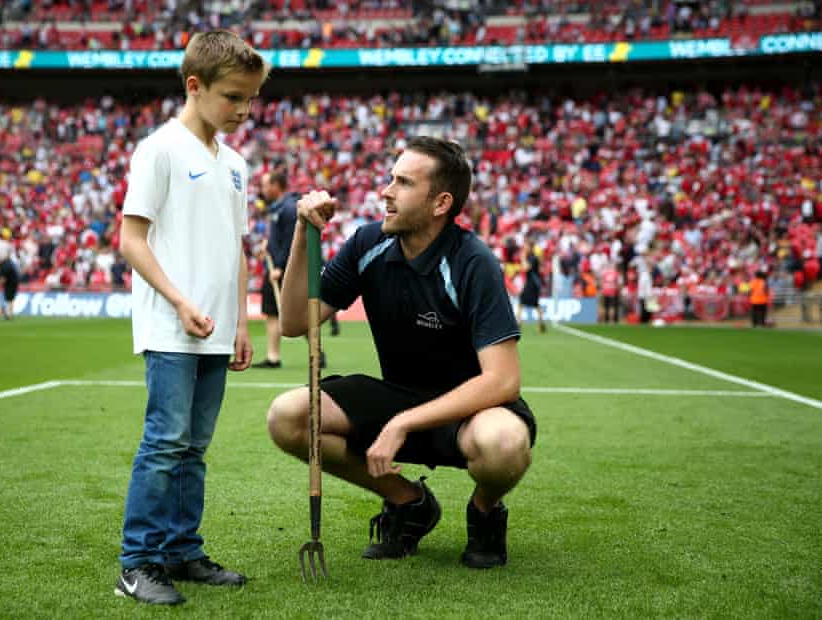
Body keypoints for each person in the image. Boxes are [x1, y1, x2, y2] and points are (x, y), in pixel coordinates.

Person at [267, 137, 536, 570]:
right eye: (391, 178)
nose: (386, 192)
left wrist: (403, 423)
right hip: (399, 393)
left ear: (440, 203)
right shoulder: (367, 244)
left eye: (403, 182)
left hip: (470, 408)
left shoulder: (472, 261)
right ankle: (409, 501)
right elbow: (297, 321)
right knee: (288, 416)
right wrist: (304, 233)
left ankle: (485, 510)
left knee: (503, 444)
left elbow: (502, 380)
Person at [114, 30, 267, 606]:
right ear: (195, 86)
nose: (244, 111)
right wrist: (179, 300)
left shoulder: (234, 163)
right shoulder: (159, 149)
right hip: (171, 325)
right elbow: (131, 240)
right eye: (234, 98)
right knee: (166, 441)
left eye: (251, 99)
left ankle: (182, 549)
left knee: (195, 446)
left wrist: (242, 321)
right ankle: (138, 562)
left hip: (217, 328)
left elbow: (237, 248)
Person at [252, 169, 299, 369]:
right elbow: (278, 239)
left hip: (282, 269)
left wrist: (279, 266)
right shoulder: (279, 208)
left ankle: (274, 357)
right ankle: (273, 356)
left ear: (275, 186)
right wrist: (267, 245)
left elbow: (290, 241)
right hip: (279, 266)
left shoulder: (287, 209)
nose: (262, 189)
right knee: (278, 312)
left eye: (265, 185)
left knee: (281, 312)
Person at [518, 240, 546, 333]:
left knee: (525, 302)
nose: (524, 248)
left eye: (526, 246)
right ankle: (541, 323)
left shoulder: (532, 258)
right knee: (532, 303)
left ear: (530, 247)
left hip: (532, 284)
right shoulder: (532, 257)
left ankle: (518, 323)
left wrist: (522, 258)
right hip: (532, 283)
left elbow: (526, 268)